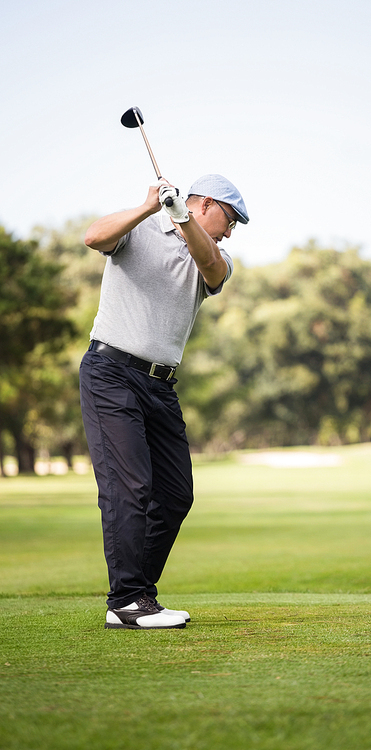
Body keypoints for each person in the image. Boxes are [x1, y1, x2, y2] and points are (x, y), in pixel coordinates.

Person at [80, 174, 249, 630]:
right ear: (209, 204)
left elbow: (211, 267)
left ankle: (139, 596)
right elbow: (93, 236)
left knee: (175, 494)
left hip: (160, 385)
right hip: (111, 373)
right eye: (230, 220)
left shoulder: (213, 254)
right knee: (129, 487)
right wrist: (149, 207)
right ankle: (127, 601)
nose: (230, 232)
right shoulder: (140, 230)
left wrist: (183, 218)